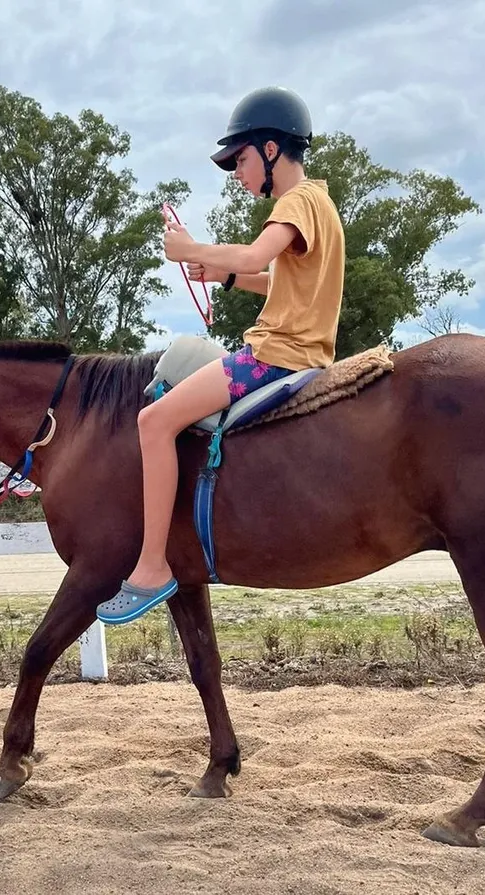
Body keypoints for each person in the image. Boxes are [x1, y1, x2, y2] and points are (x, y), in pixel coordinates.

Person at [96, 86, 346, 625]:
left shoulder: (296, 201)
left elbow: (258, 252)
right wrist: (227, 275)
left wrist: (190, 250)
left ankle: (151, 565)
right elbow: (282, 278)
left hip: (274, 355)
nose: (236, 171)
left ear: (271, 149)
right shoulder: (321, 204)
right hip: (304, 352)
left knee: (154, 421)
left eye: (241, 159)